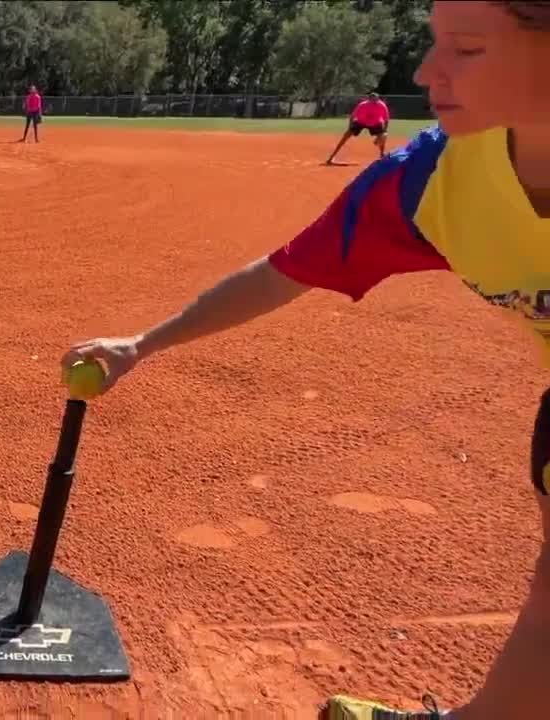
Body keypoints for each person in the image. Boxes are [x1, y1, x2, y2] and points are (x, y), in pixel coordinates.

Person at [63, 2, 549, 719]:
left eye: (468, 49)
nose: (425, 72)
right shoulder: (429, 184)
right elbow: (285, 270)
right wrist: (143, 344)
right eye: (435, 42)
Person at [327, 91, 391, 164]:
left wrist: (384, 132)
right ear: (368, 100)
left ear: (378, 99)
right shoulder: (362, 105)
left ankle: (382, 155)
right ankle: (331, 157)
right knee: (346, 136)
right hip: (361, 122)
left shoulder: (382, 106)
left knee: (383, 136)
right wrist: (350, 127)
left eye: (376, 100)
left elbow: (386, 119)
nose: (374, 102)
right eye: (372, 100)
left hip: (375, 123)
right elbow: (352, 116)